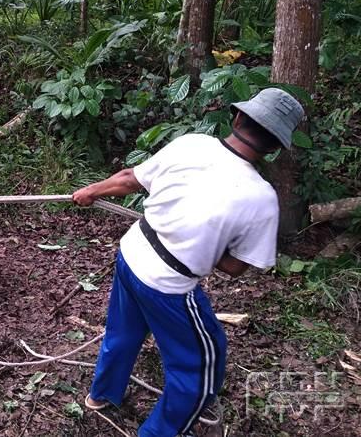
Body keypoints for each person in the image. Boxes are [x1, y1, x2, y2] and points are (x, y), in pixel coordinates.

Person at [71, 88, 304, 436]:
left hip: (131, 253)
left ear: (238, 117)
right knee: (201, 368)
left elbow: (129, 179)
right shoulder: (262, 199)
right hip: (167, 286)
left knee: (123, 332)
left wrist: (91, 190)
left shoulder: (193, 143)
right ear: (274, 148)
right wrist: (204, 241)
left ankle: (101, 395)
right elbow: (235, 267)